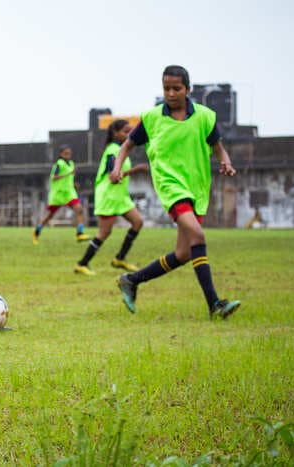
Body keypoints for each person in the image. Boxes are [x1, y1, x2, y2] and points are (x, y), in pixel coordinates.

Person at [110, 65, 240, 319]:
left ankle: (131, 280)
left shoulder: (204, 116)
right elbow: (126, 146)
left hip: (197, 188)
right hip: (170, 186)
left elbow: (218, 147)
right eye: (166, 88)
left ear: (187, 89)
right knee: (198, 236)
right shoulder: (152, 118)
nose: (171, 93)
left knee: (183, 253)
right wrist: (116, 168)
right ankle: (214, 304)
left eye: (176, 88)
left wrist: (226, 161)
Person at [73, 119, 148, 275]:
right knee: (104, 233)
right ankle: (82, 264)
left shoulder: (122, 150)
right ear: (116, 133)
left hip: (120, 196)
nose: (129, 134)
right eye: (125, 131)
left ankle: (120, 258)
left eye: (130, 131)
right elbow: (112, 177)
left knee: (138, 222)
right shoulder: (113, 149)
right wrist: (135, 170)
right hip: (108, 194)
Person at [32, 144, 90, 244]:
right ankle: (36, 232)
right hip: (58, 194)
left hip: (69, 193)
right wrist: (68, 174)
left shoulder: (71, 163)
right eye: (66, 153)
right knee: (49, 216)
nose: (68, 155)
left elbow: (69, 178)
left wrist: (74, 184)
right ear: (61, 154)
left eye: (69, 153)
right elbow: (53, 177)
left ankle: (80, 233)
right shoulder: (58, 164)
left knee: (79, 209)